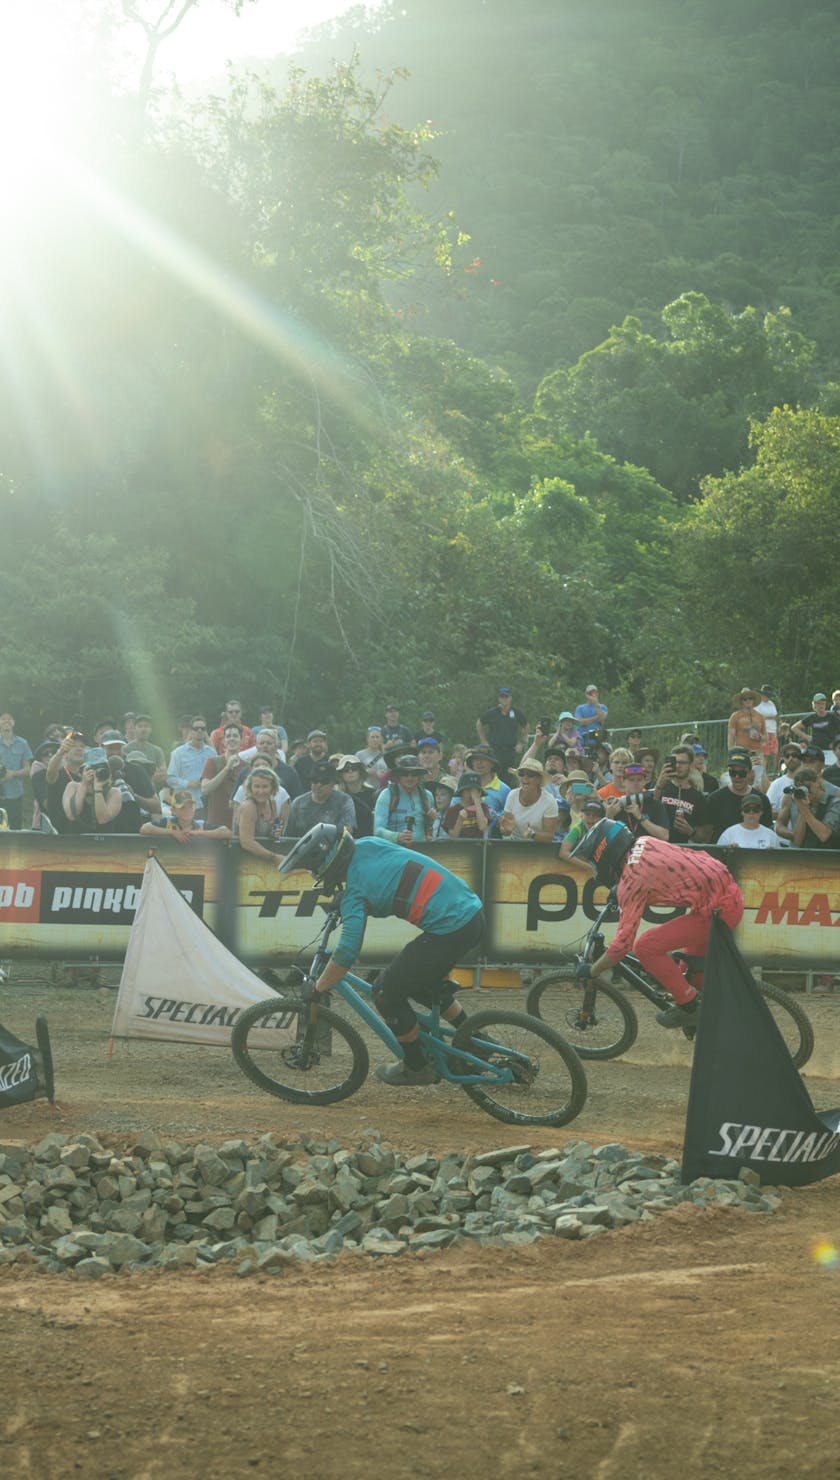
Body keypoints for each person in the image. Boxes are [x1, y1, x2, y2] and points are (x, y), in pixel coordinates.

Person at [278, 824, 485, 1086]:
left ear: (329, 865)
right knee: (420, 984)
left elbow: (346, 953)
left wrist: (319, 987)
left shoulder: (356, 894)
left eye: (315, 869)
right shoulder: (368, 844)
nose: (314, 874)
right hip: (471, 913)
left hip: (451, 928)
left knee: (385, 993)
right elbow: (388, 879)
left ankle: (416, 1066)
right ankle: (479, 1043)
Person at [572, 819, 744, 1029]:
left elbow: (621, 946)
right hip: (724, 896)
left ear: (604, 853)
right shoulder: (644, 841)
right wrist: (620, 886)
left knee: (645, 946)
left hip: (719, 910)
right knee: (688, 976)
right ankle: (703, 1020)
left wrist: (592, 971)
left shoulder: (632, 882)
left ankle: (690, 1009)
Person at [705, 748, 773, 840]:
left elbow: (768, 832)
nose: (737, 777)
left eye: (741, 773)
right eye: (733, 773)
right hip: (722, 851)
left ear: (750, 773)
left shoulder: (762, 800)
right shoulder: (715, 799)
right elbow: (707, 834)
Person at [652, 744, 710, 843]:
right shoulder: (660, 786)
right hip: (658, 846)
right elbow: (649, 810)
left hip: (682, 850)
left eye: (682, 762)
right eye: (675, 762)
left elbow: (705, 837)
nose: (678, 766)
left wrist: (690, 831)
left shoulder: (698, 797)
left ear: (691, 765)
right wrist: (658, 786)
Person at [373, 754, 436, 846]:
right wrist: (397, 837)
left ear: (419, 775)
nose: (410, 778)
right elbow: (377, 831)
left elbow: (430, 830)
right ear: (398, 775)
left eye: (414, 773)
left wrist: (431, 821)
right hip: (394, 850)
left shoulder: (427, 796)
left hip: (422, 851)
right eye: (405, 774)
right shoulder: (387, 795)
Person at [286, 759, 356, 838]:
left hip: (333, 847)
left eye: (324, 781)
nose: (319, 785)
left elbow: (347, 831)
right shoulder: (298, 803)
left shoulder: (344, 801)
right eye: (315, 781)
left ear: (333, 784)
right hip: (303, 848)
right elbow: (288, 835)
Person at [201, 722, 249, 830]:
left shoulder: (247, 767)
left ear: (241, 740)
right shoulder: (213, 762)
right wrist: (227, 768)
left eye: (235, 736)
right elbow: (205, 789)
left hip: (239, 824)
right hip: (215, 823)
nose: (231, 739)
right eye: (228, 736)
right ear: (223, 741)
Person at [234, 767, 289, 859]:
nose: (261, 791)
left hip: (263, 856)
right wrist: (274, 858)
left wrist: (275, 833)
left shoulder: (272, 803)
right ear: (250, 787)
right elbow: (247, 843)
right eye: (257, 786)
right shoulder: (249, 807)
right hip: (243, 858)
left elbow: (271, 833)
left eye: (265, 786)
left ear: (273, 787)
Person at [167, 717, 217, 817]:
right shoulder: (178, 753)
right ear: (190, 731)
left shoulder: (212, 753)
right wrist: (188, 784)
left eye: (203, 728)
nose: (199, 731)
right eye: (196, 728)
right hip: (184, 804)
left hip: (207, 804)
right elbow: (170, 778)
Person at [498, 759, 559, 842]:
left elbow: (549, 837)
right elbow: (505, 831)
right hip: (513, 844)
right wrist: (506, 831)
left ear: (539, 779)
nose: (525, 777)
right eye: (521, 774)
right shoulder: (512, 795)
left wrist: (532, 835)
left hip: (538, 848)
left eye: (530, 775)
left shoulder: (549, 801)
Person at [476, 687, 528, 780]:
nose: (504, 699)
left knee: (510, 777)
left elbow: (526, 726)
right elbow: (479, 723)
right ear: (499, 698)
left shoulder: (516, 713)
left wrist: (521, 743)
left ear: (510, 698)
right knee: (494, 776)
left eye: (506, 696)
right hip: (495, 751)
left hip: (510, 752)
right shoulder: (492, 713)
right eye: (502, 696)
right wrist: (483, 741)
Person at [140, 789, 231, 841]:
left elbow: (227, 832)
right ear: (173, 810)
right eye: (182, 808)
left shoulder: (200, 825)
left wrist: (199, 833)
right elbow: (145, 829)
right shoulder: (167, 822)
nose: (187, 810)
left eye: (190, 807)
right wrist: (173, 833)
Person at [790, 768, 840, 850]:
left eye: (807, 787)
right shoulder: (803, 805)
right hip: (808, 859)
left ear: (817, 782)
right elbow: (797, 842)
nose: (806, 792)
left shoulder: (835, 803)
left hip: (831, 858)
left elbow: (824, 835)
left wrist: (805, 811)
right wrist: (803, 811)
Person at [0, 713, 33, 830]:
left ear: (13, 723)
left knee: (15, 828)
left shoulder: (22, 743)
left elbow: (28, 770)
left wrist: (12, 773)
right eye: (3, 719)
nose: (6, 721)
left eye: (9, 719)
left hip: (16, 793)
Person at [717, 796, 782, 849]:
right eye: (747, 809)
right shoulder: (729, 834)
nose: (751, 812)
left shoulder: (771, 835)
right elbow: (718, 857)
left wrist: (773, 854)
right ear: (742, 812)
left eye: (756, 809)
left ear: (761, 812)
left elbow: (780, 860)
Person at [791, 693, 840, 763]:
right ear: (814, 705)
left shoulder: (832, 717)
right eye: (818, 704)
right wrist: (807, 737)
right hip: (816, 750)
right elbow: (794, 728)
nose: (821, 706)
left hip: (829, 750)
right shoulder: (812, 718)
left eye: (823, 704)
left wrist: (836, 742)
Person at [443, 770, 492, 840]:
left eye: (476, 790)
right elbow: (453, 837)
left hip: (478, 848)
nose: (472, 793)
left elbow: (482, 827)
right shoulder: (452, 810)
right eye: (468, 790)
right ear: (461, 791)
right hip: (461, 849)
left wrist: (477, 800)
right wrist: (460, 820)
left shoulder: (483, 807)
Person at [464, 745, 509, 819]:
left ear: (492, 764)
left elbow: (508, 816)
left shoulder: (504, 790)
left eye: (484, 759)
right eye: (476, 759)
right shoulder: (464, 786)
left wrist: (493, 815)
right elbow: (453, 809)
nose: (479, 762)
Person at [335, 755, 376, 837]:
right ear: (341, 775)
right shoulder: (337, 797)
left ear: (360, 772)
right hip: (347, 843)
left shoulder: (372, 793)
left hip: (369, 841)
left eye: (354, 768)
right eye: (346, 770)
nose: (350, 771)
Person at [129, 714, 167, 788]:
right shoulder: (126, 749)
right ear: (134, 729)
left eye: (146, 726)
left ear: (150, 729)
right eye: (140, 726)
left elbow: (163, 774)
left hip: (153, 794)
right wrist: (152, 774)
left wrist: (139, 778)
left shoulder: (157, 751)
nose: (143, 729)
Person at [726, 688, 767, 754]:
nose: (748, 701)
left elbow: (765, 736)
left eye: (750, 698)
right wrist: (731, 752)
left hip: (757, 752)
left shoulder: (760, 716)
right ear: (741, 701)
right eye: (745, 699)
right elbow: (731, 737)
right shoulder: (735, 716)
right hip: (741, 752)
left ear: (753, 700)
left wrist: (759, 736)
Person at [755, 684, 779, 777]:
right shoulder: (758, 704)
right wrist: (770, 717)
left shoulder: (771, 704)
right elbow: (758, 717)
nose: (767, 697)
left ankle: (772, 773)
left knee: (773, 754)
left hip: (772, 730)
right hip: (763, 731)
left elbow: (776, 716)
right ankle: (761, 775)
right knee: (763, 754)